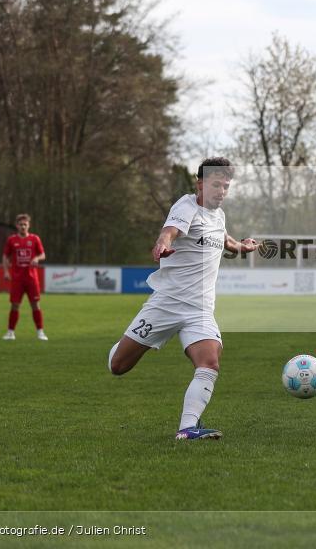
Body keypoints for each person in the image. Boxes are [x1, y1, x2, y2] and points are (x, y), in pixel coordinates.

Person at [107, 158, 259, 441]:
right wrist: (162, 245)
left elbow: (225, 240)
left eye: (226, 186)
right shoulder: (186, 206)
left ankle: (187, 429)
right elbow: (169, 232)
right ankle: (121, 346)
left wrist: (243, 247)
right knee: (118, 366)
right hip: (167, 304)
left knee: (210, 362)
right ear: (200, 184)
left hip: (199, 310)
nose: (222, 191)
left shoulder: (219, 215)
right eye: (216, 185)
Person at [1, 214, 47, 340]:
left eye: (25, 224)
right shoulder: (12, 240)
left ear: (29, 225)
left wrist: (37, 258)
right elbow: (5, 256)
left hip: (32, 278)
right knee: (14, 305)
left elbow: (43, 254)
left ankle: (40, 332)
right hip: (17, 279)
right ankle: (10, 332)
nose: (23, 226)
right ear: (17, 225)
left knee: (35, 304)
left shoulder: (34, 239)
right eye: (20, 224)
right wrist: (6, 271)